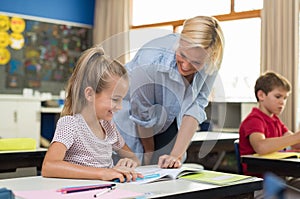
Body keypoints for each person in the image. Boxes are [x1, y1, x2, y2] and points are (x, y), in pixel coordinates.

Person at [113, 16, 225, 168]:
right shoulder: (150, 60)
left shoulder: (210, 61)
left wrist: (175, 155)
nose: (185, 66)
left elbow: (196, 106)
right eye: (183, 55)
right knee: (133, 172)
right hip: (131, 117)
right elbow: (142, 115)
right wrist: (149, 154)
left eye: (196, 62)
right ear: (179, 42)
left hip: (167, 119)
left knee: (169, 170)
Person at [42, 46, 142, 182]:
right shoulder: (71, 125)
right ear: (90, 94)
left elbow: (133, 158)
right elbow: (49, 167)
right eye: (115, 99)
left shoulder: (109, 127)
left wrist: (129, 162)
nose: (119, 107)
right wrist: (102, 173)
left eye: (121, 100)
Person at [239, 71, 300, 176]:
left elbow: (295, 143)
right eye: (278, 96)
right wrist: (297, 137)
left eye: (285, 98)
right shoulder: (254, 120)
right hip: (261, 182)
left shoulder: (275, 120)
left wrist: (297, 138)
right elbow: (261, 146)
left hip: (277, 175)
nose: (282, 102)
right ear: (261, 95)